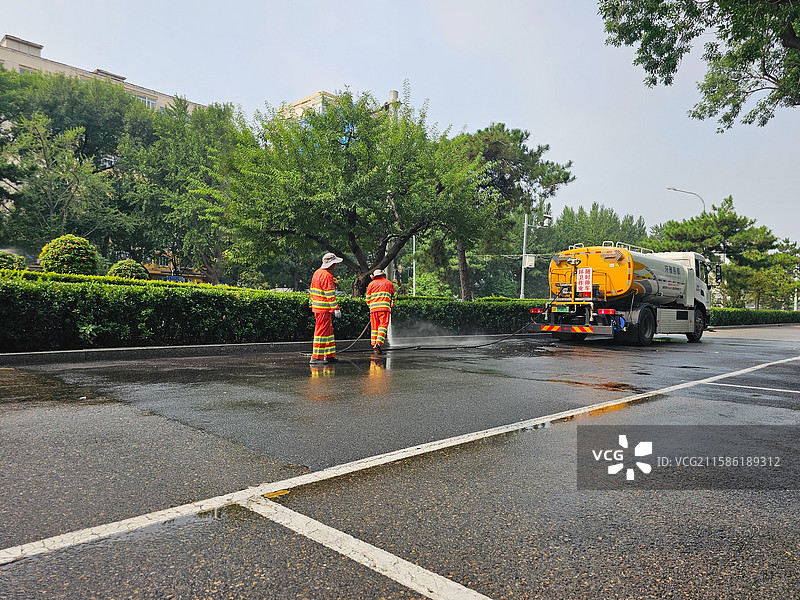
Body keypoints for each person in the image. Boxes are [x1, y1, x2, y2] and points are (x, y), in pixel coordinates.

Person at [309, 252, 343, 364]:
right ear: (331, 264)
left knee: (328, 332)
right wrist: (336, 308)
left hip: (318, 307)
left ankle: (330, 355)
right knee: (321, 332)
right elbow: (330, 294)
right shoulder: (327, 275)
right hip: (323, 308)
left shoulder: (317, 273)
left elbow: (312, 290)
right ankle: (316, 357)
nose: (336, 265)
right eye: (335, 263)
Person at [365, 268, 395, 354]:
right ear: (383, 275)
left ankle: (374, 344)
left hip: (373, 310)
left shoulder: (371, 284)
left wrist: (371, 306)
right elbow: (393, 296)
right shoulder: (389, 283)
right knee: (383, 326)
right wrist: (392, 304)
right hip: (384, 309)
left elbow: (367, 299)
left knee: (374, 327)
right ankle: (378, 344)